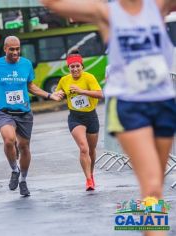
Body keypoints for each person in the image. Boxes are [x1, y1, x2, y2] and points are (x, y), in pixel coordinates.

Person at [42, 1, 176, 232]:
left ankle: (149, 227)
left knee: (156, 187)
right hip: (129, 105)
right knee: (151, 184)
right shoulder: (106, 12)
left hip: (163, 101)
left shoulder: (157, 6)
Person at [0, 36, 62, 196]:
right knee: (9, 140)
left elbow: (30, 86)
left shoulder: (26, 64)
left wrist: (49, 95)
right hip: (4, 112)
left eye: (17, 49)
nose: (15, 52)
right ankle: (14, 169)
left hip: (24, 112)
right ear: (5, 49)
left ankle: (23, 180)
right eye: (11, 49)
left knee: (24, 147)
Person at [54, 50, 103, 191]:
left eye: (77, 66)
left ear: (82, 66)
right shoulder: (64, 80)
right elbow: (58, 94)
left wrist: (82, 91)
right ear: (68, 68)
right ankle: (88, 180)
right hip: (75, 117)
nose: (75, 69)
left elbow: (100, 94)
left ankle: (91, 174)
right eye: (72, 67)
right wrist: (58, 95)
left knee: (92, 150)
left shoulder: (89, 78)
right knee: (83, 148)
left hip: (91, 116)